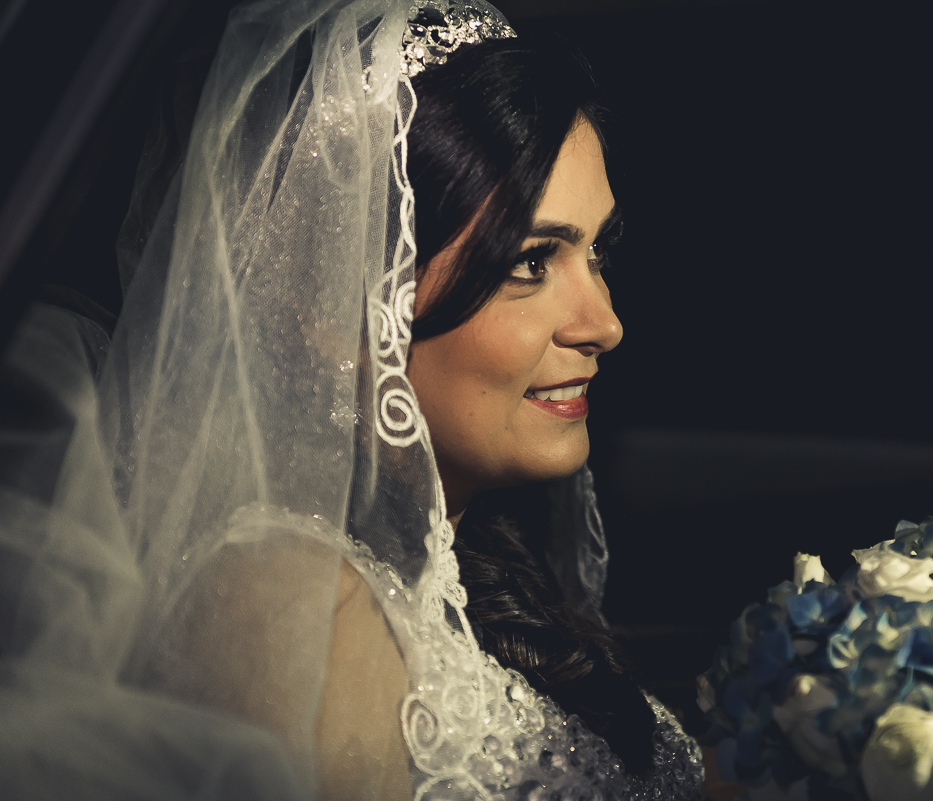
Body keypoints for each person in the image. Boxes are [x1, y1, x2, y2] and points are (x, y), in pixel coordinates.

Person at [0, 0, 706, 798]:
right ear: (339, 305)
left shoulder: (468, 571)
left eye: (597, 250)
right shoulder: (290, 607)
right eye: (531, 263)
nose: (605, 323)